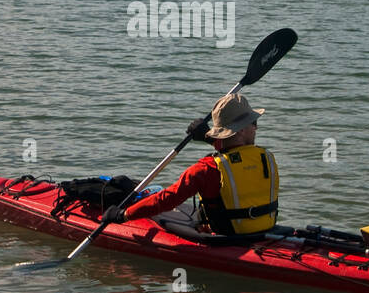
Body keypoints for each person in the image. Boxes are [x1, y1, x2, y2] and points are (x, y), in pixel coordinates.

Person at [102, 93, 279, 235]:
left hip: (226, 236)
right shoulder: (267, 158)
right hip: (263, 229)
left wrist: (124, 215)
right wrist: (208, 137)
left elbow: (166, 200)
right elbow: (239, 157)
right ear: (240, 130)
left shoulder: (207, 169)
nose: (256, 127)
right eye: (253, 123)